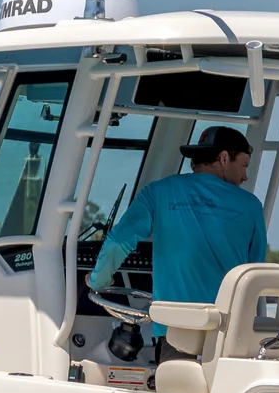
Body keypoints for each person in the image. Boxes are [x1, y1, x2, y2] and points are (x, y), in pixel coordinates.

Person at [85, 125, 269, 344]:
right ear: (223, 158)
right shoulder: (251, 206)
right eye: (244, 166)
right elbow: (256, 272)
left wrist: (99, 281)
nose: (245, 176)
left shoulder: (158, 192)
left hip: (176, 334)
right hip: (228, 336)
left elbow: (118, 242)